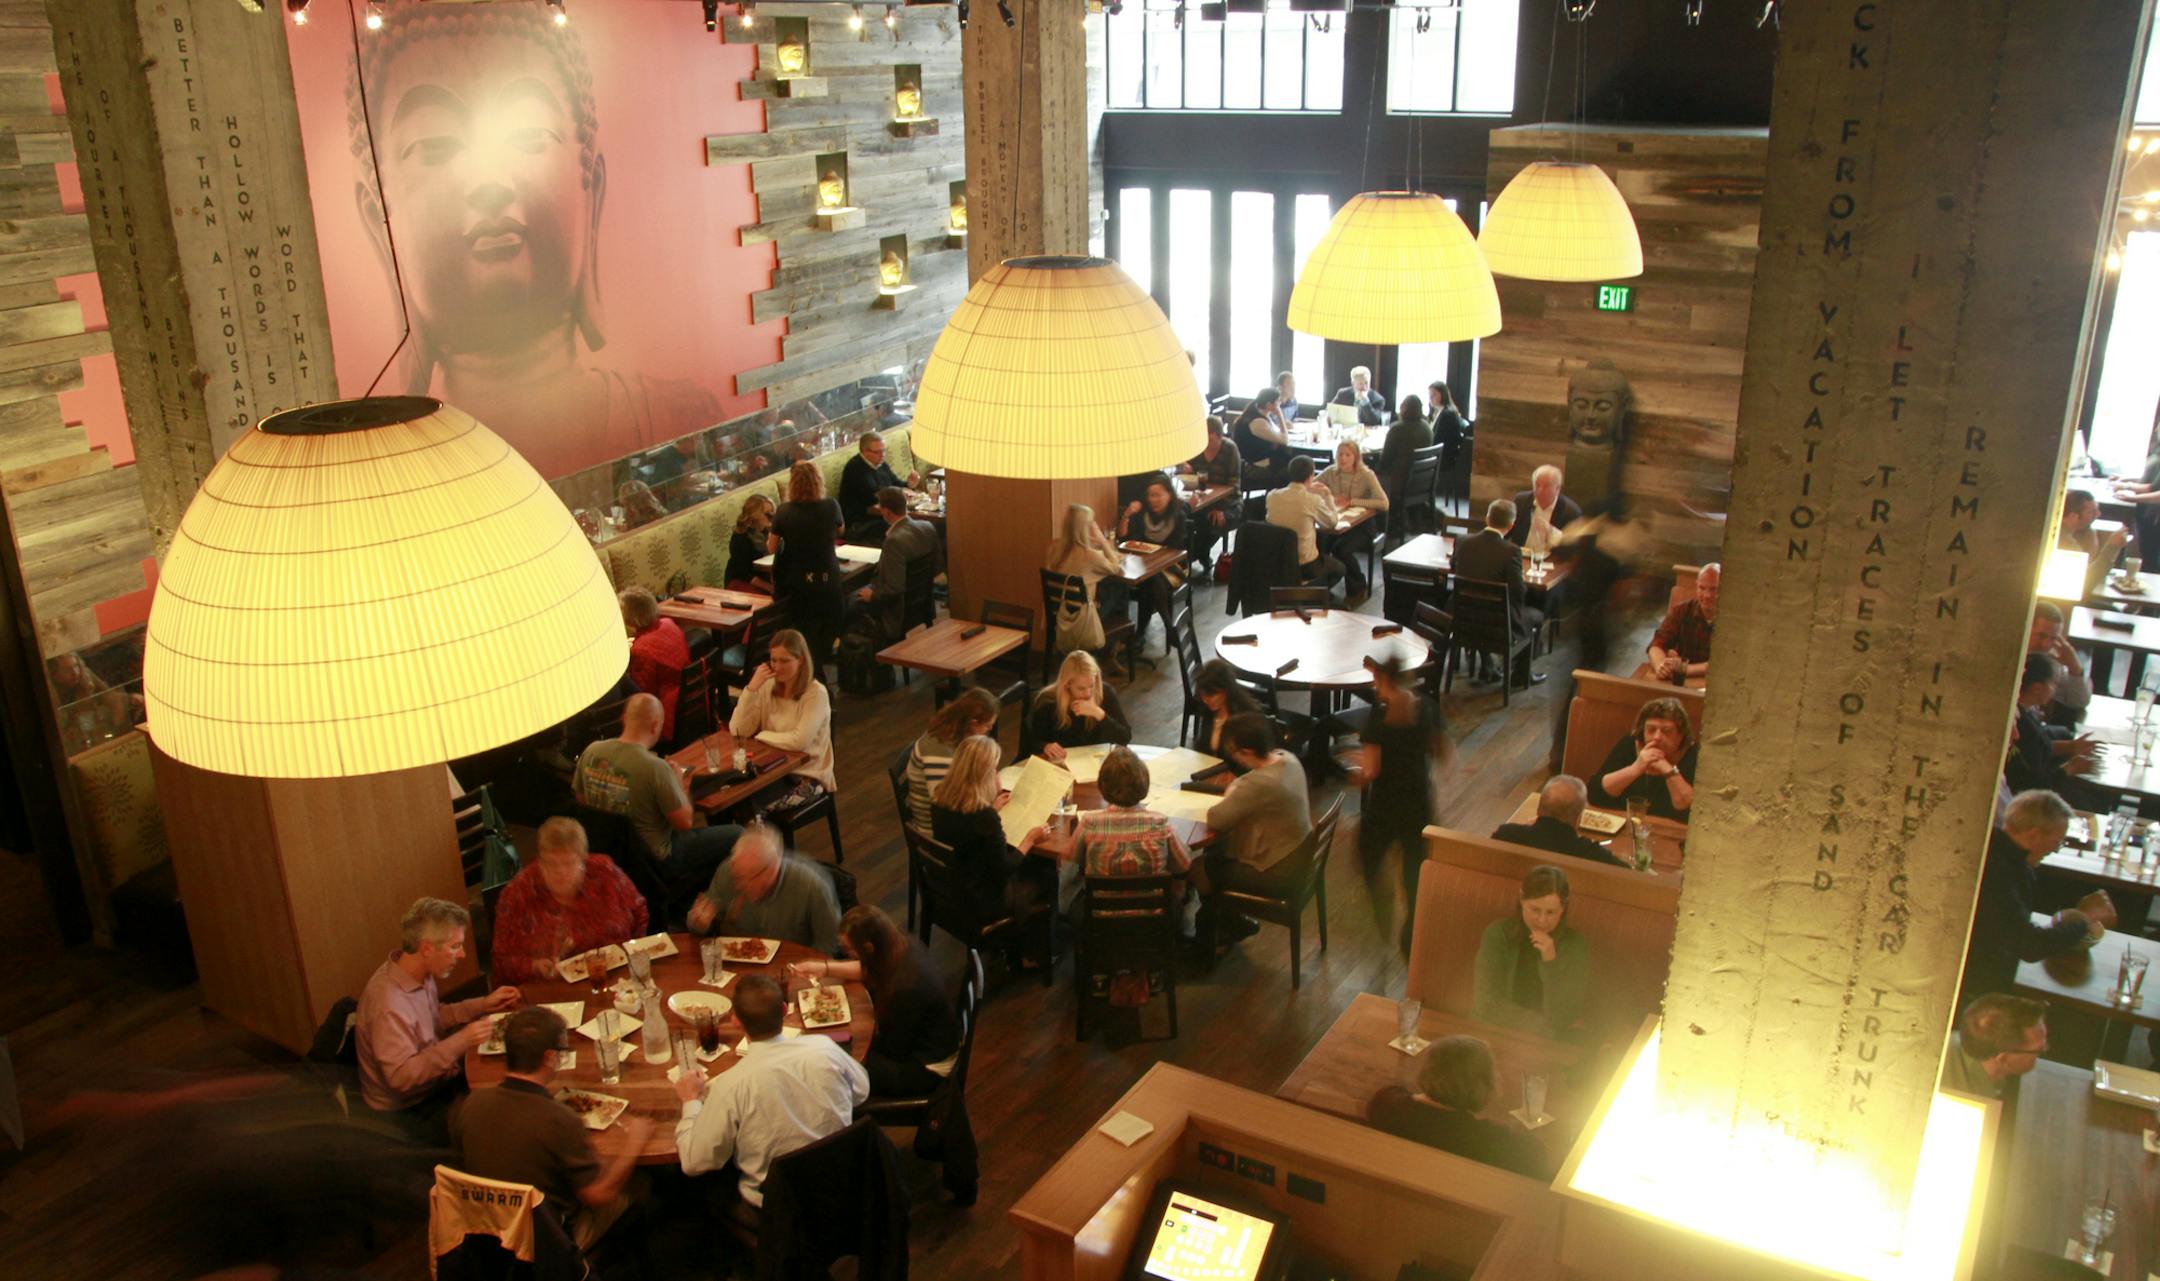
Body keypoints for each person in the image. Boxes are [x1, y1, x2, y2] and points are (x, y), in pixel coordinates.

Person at [348, 2, 721, 480]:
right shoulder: (385, 477)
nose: (490, 181)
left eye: (528, 137)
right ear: (380, 220)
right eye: (436, 146)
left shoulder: (681, 416)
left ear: (593, 191)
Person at [451, 1008, 653, 1250]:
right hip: (547, 1242)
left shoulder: (472, 1103)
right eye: (562, 1051)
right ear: (549, 1057)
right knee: (641, 1183)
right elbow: (599, 1195)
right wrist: (635, 1142)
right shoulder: (559, 1119)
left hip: (488, 1229)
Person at [672, 974, 869, 1209]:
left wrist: (690, 1100)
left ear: (736, 1022)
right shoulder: (824, 1048)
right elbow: (861, 1092)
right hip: (843, 1181)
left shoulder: (730, 1087)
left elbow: (694, 1163)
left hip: (779, 1207)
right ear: (785, 1010)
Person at [355, 897, 520, 1136]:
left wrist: (484, 1003)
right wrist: (463, 1040)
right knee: (503, 1120)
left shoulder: (416, 972)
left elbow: (434, 1016)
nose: (462, 954)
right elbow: (401, 1077)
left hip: (434, 1084)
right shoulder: (389, 1004)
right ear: (426, 949)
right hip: (408, 1112)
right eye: (455, 946)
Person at [574, 692, 741, 913]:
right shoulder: (655, 768)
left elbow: (581, 799)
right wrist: (681, 785)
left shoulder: (592, 751)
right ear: (655, 726)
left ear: (624, 718)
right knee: (737, 834)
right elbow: (684, 822)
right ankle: (705, 905)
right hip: (656, 857)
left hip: (606, 851)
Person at [1959, 789, 2115, 1005]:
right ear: (2033, 835)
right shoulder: (1996, 872)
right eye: (2057, 842)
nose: (2056, 850)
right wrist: (2085, 918)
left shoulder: (1999, 849)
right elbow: (2030, 946)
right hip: (1974, 990)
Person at [793, 906, 959, 1096]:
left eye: (849, 949)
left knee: (833, 1065)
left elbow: (895, 1050)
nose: (847, 954)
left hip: (926, 1067)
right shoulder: (900, 946)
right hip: (921, 1043)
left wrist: (850, 1039)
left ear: (868, 948)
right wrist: (824, 968)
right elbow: (870, 969)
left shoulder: (905, 989)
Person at [1351, 656, 1444, 952]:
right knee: (1416, 871)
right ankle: (1411, 936)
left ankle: (1382, 910)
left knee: (1368, 855)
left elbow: (1371, 772)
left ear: (1382, 679)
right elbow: (1442, 750)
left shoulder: (1378, 720)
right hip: (1419, 801)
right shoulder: (1426, 708)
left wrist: (1353, 773)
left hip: (1386, 805)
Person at [489, 818, 650, 983]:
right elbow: (501, 962)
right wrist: (534, 966)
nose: (560, 872)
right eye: (551, 863)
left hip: (617, 980)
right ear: (539, 861)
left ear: (583, 860)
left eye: (569, 863)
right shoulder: (518, 893)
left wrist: (631, 955)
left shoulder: (605, 872)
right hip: (550, 992)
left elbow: (639, 910)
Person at [1366, 1035, 1547, 1179]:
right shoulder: (1495, 1141)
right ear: (1484, 1084)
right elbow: (1536, 1156)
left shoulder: (1386, 1105)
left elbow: (1397, 1093)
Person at [1204, 714, 1313, 942]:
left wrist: (1233, 789)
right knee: (1218, 850)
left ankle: (1216, 931)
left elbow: (1216, 819)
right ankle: (1230, 922)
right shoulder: (1287, 759)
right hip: (1300, 856)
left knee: (1201, 865)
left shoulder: (1259, 784)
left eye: (1234, 753)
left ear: (1247, 752)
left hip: (1277, 871)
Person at [1073, 746, 1202, 937]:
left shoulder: (1089, 823)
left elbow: (1072, 857)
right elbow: (1183, 865)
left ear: (1103, 787)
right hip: (1154, 916)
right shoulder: (1160, 824)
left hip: (1100, 916)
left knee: (1074, 902)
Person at [931, 734, 1059, 925]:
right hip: (983, 899)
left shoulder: (940, 797)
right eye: (994, 769)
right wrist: (1030, 840)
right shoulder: (984, 816)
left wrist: (992, 807)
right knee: (1049, 874)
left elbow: (968, 831)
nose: (997, 773)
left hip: (954, 886)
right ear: (983, 775)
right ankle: (1032, 944)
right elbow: (1005, 868)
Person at [1472, 865, 1591, 1040]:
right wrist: (1544, 1026)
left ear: (1563, 908)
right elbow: (1486, 1004)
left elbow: (1564, 1016)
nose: (1542, 921)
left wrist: (1550, 962)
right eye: (1535, 910)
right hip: (1493, 1033)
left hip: (1547, 1044)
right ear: (1521, 899)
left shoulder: (1576, 945)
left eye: (1551, 912)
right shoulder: (1498, 934)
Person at [729, 627, 836, 821]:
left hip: (808, 777)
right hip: (772, 770)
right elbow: (738, 730)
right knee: (728, 799)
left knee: (751, 806)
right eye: (773, 660)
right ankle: (738, 848)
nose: (777, 667)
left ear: (801, 660)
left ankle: (763, 850)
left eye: (784, 661)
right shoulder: (767, 686)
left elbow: (799, 741)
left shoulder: (815, 694)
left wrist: (761, 737)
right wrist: (751, 689)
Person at [688, 824, 842, 954]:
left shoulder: (812, 886)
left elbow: (829, 945)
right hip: (739, 964)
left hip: (793, 966)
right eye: (737, 876)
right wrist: (698, 923)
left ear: (772, 869)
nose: (738, 885)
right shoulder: (728, 871)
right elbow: (699, 923)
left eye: (747, 878)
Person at [1452, 498, 1543, 688]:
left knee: (1484, 607)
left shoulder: (1462, 541)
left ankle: (1488, 666)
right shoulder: (1511, 551)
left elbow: (1454, 567)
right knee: (1536, 616)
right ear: (1511, 525)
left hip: (1464, 619)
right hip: (1498, 625)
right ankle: (1520, 674)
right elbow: (1518, 591)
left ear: (1487, 518)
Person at [769, 461, 845, 679]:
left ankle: (814, 677)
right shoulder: (831, 506)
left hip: (798, 585)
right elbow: (841, 530)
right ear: (818, 481)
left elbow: (771, 547)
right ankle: (817, 674)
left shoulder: (784, 512)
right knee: (827, 630)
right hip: (828, 580)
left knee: (806, 635)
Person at [1043, 503, 1129, 674]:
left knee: (1112, 591)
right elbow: (1115, 567)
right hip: (1083, 617)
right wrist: (1103, 541)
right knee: (1121, 590)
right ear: (1085, 528)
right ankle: (1110, 654)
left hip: (1057, 612)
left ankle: (1109, 654)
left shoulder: (1054, 548)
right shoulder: (1090, 556)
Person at [853, 487, 940, 644]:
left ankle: (866, 658)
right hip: (921, 606)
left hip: (897, 614)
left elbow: (894, 590)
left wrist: (872, 595)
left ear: (885, 512)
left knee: (850, 606)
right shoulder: (928, 527)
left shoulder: (894, 542)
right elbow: (936, 568)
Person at [906, 689, 1000, 832]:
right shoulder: (939, 751)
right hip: (937, 830)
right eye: (987, 726)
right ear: (973, 723)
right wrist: (989, 809)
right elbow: (944, 804)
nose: (988, 731)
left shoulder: (952, 734)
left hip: (950, 818)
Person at [1589, 697, 1697, 819]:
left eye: (1666, 731)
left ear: (1681, 735)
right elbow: (1596, 795)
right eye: (1651, 730)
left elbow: (1689, 808)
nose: (1657, 737)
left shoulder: (1693, 754)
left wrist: (1668, 770)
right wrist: (1636, 768)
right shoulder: (1629, 744)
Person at [1118, 474, 1192, 649]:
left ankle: (1141, 633)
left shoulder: (1178, 516)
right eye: (1151, 495)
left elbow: (1176, 549)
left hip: (1173, 567)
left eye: (1158, 495)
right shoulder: (1143, 514)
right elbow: (1124, 537)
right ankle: (1168, 627)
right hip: (1146, 567)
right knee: (1149, 583)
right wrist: (1127, 515)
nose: (1154, 500)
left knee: (1150, 582)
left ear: (1169, 495)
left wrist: (1154, 557)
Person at [1491, 775, 1627, 869]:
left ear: (1539, 808)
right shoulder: (1592, 854)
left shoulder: (1506, 835)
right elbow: (1632, 877)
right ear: (1579, 817)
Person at [1937, 994, 2048, 1100]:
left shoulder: (1950, 1041)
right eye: (2039, 1050)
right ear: (2003, 1058)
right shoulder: (1961, 1099)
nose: (2046, 1047)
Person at [1026, 651, 1133, 761]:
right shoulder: (1047, 701)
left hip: (1096, 761)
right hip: (1062, 763)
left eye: (1091, 686)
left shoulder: (1105, 693)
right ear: (1067, 684)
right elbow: (1032, 741)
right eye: (1081, 688)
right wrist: (1045, 746)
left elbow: (1125, 737)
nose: (1088, 693)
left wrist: (1099, 714)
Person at [1319, 439, 1388, 598]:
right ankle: (1323, 587)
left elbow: (1384, 504)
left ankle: (1357, 584)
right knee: (1320, 544)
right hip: (1338, 523)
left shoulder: (1366, 475)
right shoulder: (1331, 472)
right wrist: (1327, 494)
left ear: (1356, 457)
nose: (1343, 459)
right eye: (1340, 454)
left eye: (1348, 455)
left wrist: (1352, 502)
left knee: (1341, 550)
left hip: (1362, 526)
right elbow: (1310, 485)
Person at [619, 587, 689, 743]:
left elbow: (643, 693)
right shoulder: (668, 624)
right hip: (689, 698)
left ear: (630, 618)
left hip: (666, 713)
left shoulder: (641, 650)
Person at [1266, 455, 1344, 589]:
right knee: (1339, 568)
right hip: (1305, 564)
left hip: (1277, 559)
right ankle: (1310, 592)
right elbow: (1332, 522)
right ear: (1311, 476)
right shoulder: (1312, 500)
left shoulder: (1272, 496)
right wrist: (1328, 496)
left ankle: (1307, 592)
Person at [1181, 417, 1243, 567]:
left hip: (1230, 502)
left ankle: (1188, 558)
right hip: (1204, 499)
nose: (1206, 444)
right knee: (1185, 518)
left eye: (1210, 438)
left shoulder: (1229, 449)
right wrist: (1186, 467)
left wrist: (1221, 508)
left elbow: (1234, 484)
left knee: (1213, 521)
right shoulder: (1198, 447)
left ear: (1219, 436)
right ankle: (1197, 556)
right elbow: (1187, 469)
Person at [839, 431, 919, 542]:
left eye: (884, 450)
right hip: (861, 524)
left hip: (884, 515)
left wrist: (909, 484)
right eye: (878, 452)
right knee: (905, 530)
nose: (882, 455)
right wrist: (902, 494)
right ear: (865, 452)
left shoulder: (880, 464)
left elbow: (895, 483)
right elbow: (874, 496)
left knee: (914, 526)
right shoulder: (855, 469)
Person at [1646, 562, 1719, 684]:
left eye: (1714, 589)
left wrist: (1685, 669)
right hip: (1682, 682)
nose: (1707, 595)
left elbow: (1728, 662)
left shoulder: (1733, 620)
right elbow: (1656, 645)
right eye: (1702, 588)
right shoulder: (1681, 610)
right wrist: (1660, 665)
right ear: (1696, 586)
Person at [2028, 601, 2094, 727]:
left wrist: (2074, 667)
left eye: (2053, 639)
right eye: (2041, 636)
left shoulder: (2050, 661)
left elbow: (2079, 701)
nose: (2046, 645)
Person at [2060, 488, 2129, 598]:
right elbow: (2086, 583)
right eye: (2091, 512)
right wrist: (2112, 547)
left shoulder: (2084, 533)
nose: (2098, 514)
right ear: (2073, 516)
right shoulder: (2064, 541)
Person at [1191, 658, 1263, 756]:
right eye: (1203, 695)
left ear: (1226, 690)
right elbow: (1203, 746)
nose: (1206, 700)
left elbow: (1247, 760)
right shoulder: (1209, 710)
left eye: (1211, 695)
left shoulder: (1245, 717)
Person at [1507, 464, 1582, 555]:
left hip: (1552, 561)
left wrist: (1552, 533)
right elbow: (1506, 530)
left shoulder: (1570, 511)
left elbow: (1573, 547)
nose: (1540, 490)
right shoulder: (1521, 501)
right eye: (1537, 485)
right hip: (1521, 557)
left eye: (1546, 486)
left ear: (1557, 489)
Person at [1376, 393, 1432, 507]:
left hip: (1400, 480)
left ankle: (1376, 513)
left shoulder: (1397, 429)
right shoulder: (1426, 427)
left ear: (1403, 408)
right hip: (1423, 478)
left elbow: (1385, 459)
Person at [1231, 387, 1291, 489]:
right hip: (1255, 467)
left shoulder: (1261, 414)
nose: (1279, 404)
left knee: (1289, 460)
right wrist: (1280, 415)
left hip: (1261, 460)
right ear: (1269, 405)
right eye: (1277, 402)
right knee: (1291, 471)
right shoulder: (1258, 422)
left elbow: (1277, 433)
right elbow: (1284, 440)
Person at [728, 494, 776, 589]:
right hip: (741, 582)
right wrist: (770, 588)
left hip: (762, 578)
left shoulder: (766, 531)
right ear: (754, 515)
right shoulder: (740, 537)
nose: (771, 516)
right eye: (767, 514)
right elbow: (743, 573)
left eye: (773, 512)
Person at [1430, 381, 1468, 472]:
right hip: (1441, 455)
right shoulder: (1441, 411)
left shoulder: (1447, 414)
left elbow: (1438, 439)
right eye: (1430, 395)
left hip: (1443, 459)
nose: (1430, 398)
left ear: (1442, 395)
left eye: (1434, 394)